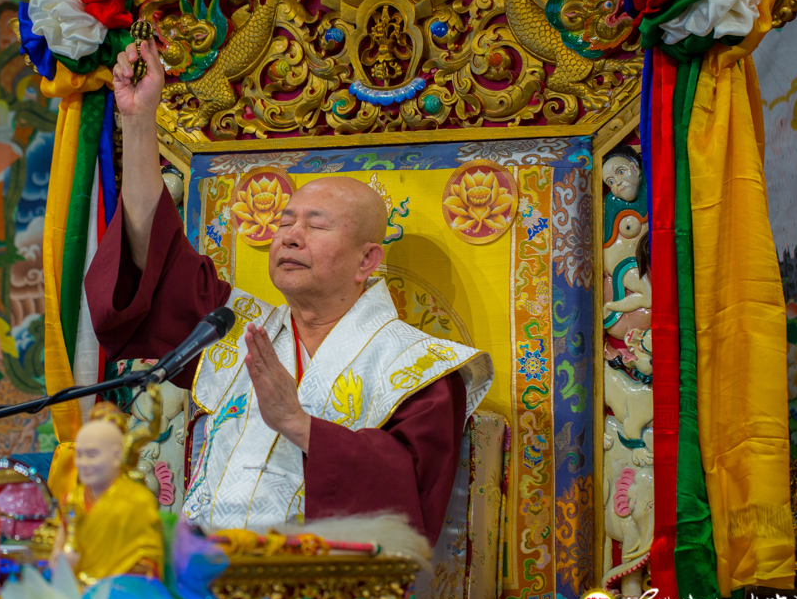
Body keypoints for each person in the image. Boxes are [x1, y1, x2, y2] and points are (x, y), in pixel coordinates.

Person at [84, 40, 494, 543]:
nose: (290, 237)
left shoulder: (420, 368)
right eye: (284, 222)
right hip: (201, 574)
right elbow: (153, 256)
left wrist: (298, 424)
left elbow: (407, 502)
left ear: (367, 260)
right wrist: (138, 120)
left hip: (317, 585)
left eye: (315, 226)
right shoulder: (232, 328)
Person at [54, 403, 164, 586]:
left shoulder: (138, 500)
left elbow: (148, 560)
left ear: (117, 455)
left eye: (92, 455)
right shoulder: (74, 499)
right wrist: (61, 562)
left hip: (123, 594)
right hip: (79, 589)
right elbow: (58, 551)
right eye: (79, 455)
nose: (83, 463)